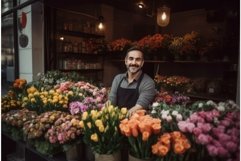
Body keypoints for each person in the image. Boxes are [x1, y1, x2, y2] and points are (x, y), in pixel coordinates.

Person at [108, 46, 157, 116]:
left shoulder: (148, 82)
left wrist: (120, 117)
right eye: (131, 59)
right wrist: (104, 112)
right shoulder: (118, 78)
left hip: (136, 122)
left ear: (142, 63)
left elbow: (139, 107)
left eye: (138, 59)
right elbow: (111, 100)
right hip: (116, 120)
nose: (134, 62)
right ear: (126, 61)